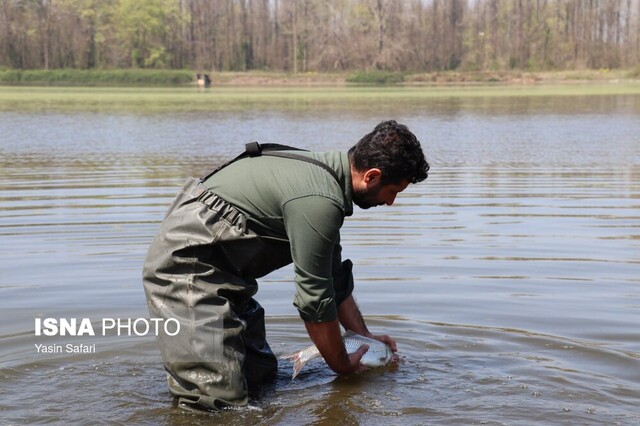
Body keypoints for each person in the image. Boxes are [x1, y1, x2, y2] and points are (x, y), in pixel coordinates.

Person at [142, 120, 429, 411]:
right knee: (216, 403)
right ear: (372, 176)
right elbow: (315, 303)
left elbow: (334, 278)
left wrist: (362, 338)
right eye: (394, 191)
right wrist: (342, 365)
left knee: (259, 377)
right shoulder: (319, 200)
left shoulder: (326, 183)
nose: (391, 202)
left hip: (225, 278)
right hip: (186, 273)